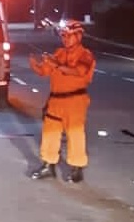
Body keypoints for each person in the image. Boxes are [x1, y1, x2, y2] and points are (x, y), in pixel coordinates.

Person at [28, 20, 96, 183]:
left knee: (75, 133)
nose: (65, 39)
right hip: (56, 100)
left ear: (78, 36)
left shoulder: (85, 54)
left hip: (75, 100)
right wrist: (35, 64)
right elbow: (45, 72)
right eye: (63, 36)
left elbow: (79, 71)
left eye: (69, 36)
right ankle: (48, 164)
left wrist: (56, 65)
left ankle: (77, 168)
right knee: (50, 133)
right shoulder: (59, 53)